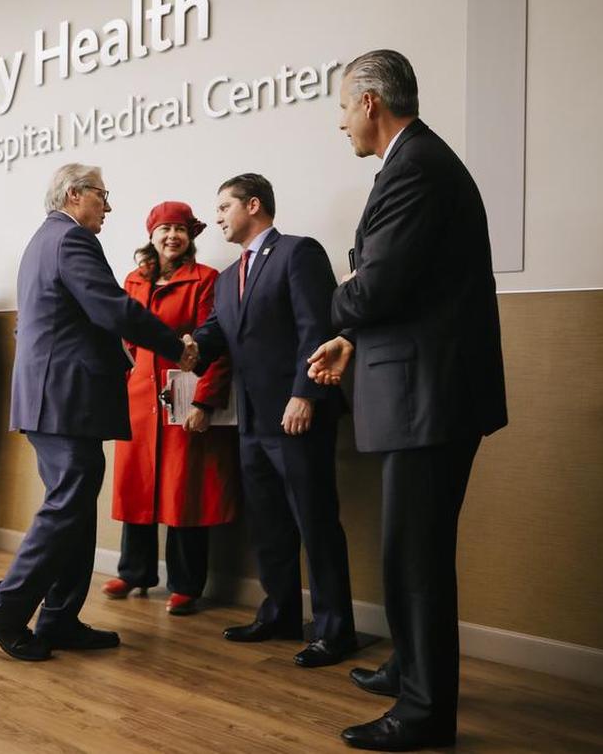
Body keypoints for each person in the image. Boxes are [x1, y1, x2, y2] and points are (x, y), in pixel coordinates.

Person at [308, 50, 507, 751]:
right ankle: (409, 667)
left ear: (369, 103)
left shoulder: (415, 166)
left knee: (414, 555)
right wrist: (351, 343)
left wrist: (328, 297)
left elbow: (375, 288)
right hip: (423, 386)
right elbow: (413, 290)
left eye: (341, 108)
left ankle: (424, 711)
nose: (340, 125)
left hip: (431, 397)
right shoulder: (415, 163)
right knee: (407, 551)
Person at [0, 163, 198, 662]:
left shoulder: (41, 242)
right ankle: (3, 607)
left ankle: (59, 618)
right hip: (63, 398)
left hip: (56, 396)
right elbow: (110, 307)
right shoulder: (71, 241)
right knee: (67, 504)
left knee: (71, 506)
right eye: (103, 196)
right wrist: (173, 346)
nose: (108, 207)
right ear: (75, 195)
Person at [192, 173, 357, 668]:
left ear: (254, 205)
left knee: (315, 521)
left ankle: (335, 631)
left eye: (224, 206)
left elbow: (317, 327)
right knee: (269, 525)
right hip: (252, 424)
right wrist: (179, 348)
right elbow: (213, 334)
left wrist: (304, 395)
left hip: (297, 415)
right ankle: (280, 614)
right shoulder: (225, 279)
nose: (217, 217)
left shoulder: (298, 253)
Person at [103, 201, 239, 616]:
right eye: (164, 229)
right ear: (152, 234)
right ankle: (135, 571)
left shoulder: (206, 280)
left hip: (183, 395)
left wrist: (203, 400)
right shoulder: (132, 280)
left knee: (185, 491)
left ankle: (186, 583)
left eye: (180, 229)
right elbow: (120, 338)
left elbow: (216, 346)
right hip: (141, 397)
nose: (172, 236)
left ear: (191, 236)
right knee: (137, 484)